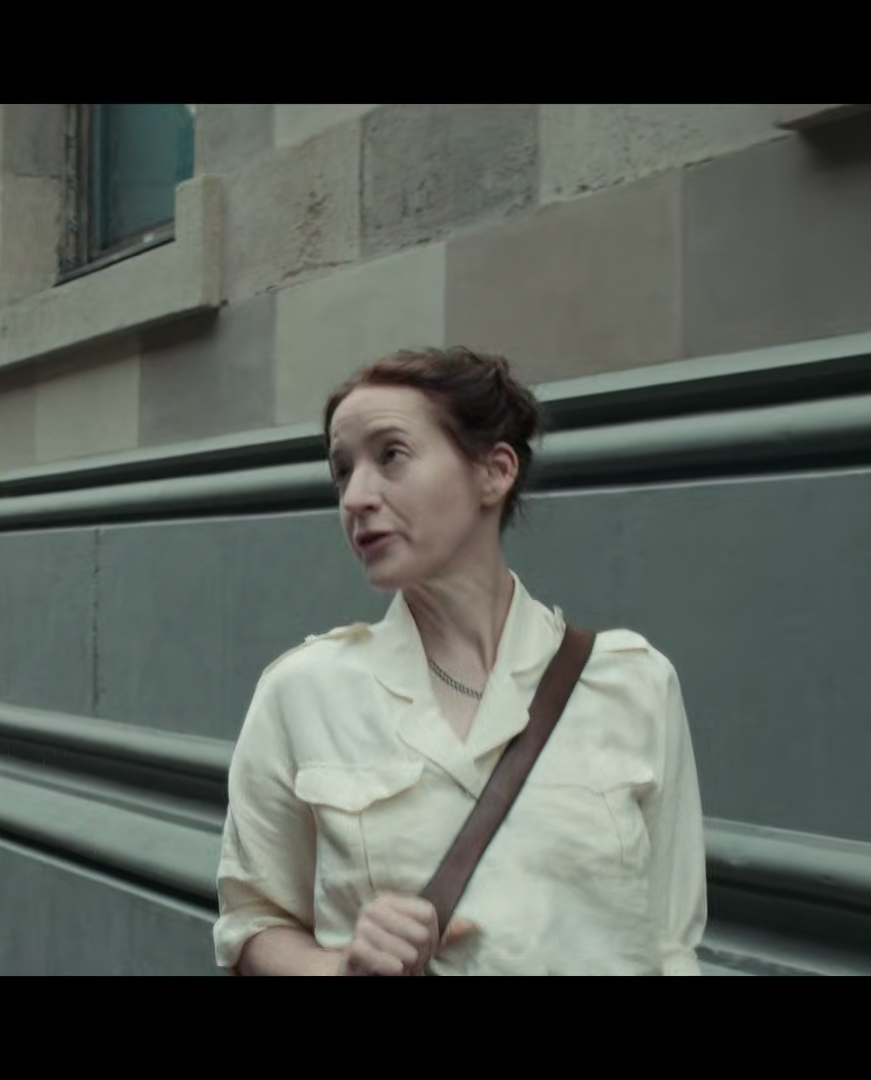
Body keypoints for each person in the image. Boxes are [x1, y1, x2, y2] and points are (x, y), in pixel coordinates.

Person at [213, 347, 707, 976]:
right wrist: (342, 968)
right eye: (342, 470)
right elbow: (250, 924)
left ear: (494, 473)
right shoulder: (302, 692)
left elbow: (672, 945)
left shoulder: (634, 682)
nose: (356, 496)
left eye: (391, 455)